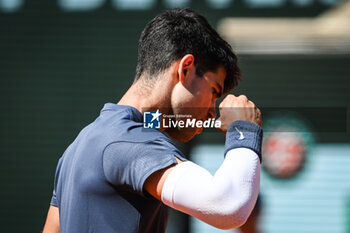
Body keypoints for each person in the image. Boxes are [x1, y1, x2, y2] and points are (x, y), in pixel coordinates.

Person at [43, 8, 262, 233]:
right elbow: (228, 206)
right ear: (185, 69)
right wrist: (244, 130)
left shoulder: (76, 148)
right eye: (213, 91)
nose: (211, 113)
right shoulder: (131, 141)